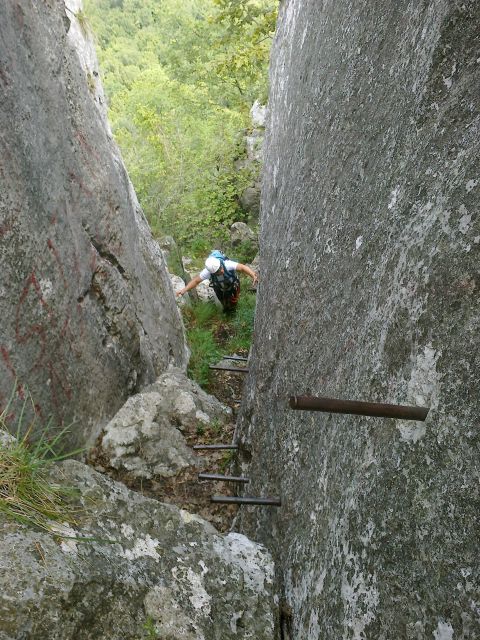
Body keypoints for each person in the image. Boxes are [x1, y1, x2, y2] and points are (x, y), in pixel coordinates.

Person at [176, 252, 258, 313]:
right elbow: (196, 281)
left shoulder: (227, 264)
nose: (222, 270)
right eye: (218, 271)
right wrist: (184, 290)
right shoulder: (207, 272)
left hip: (232, 285)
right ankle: (227, 310)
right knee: (223, 302)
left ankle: (233, 310)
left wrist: (253, 275)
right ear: (213, 272)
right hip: (219, 288)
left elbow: (242, 267)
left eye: (221, 268)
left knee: (234, 300)